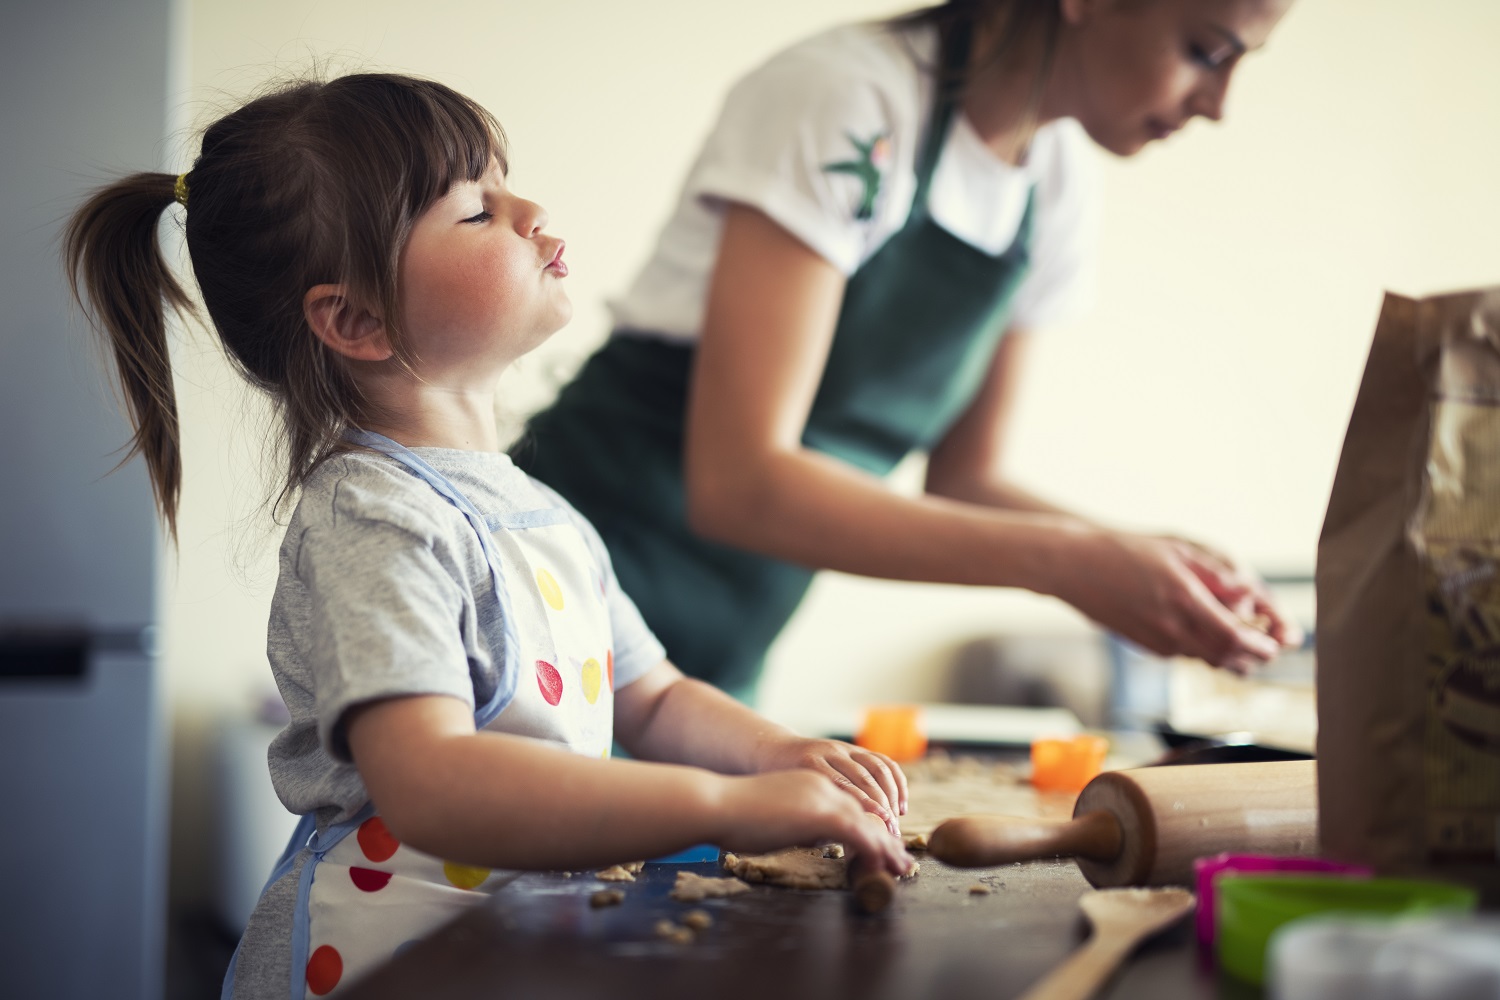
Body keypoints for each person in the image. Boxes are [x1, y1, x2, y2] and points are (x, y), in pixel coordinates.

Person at [63, 73, 913, 1000]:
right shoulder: (374, 515)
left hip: (514, 955)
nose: (531, 210)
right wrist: (726, 805)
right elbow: (432, 780)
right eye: (477, 210)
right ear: (357, 319)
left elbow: (655, 698)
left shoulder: (543, 514)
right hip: (384, 963)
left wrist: (777, 754)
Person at [515, 0, 1304, 702]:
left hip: (715, 673)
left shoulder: (1056, 184)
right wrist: (1071, 564)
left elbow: (969, 480)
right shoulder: (846, 100)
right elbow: (739, 483)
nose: (1220, 105)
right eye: (1207, 50)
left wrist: (1139, 559)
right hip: (558, 610)